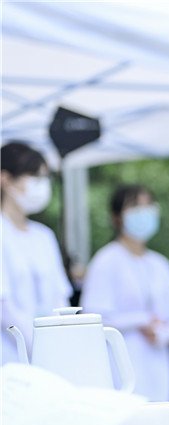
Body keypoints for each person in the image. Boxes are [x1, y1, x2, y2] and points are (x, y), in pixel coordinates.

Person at [80, 184, 169, 401]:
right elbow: (93, 317)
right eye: (135, 206)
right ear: (117, 217)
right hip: (121, 365)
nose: (143, 212)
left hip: (159, 366)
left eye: (148, 205)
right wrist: (140, 320)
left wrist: (164, 333)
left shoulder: (160, 264)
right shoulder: (106, 261)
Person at [1, 142, 73, 365]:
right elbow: (5, 308)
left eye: (44, 177)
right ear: (5, 179)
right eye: (34, 176)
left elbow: (60, 299)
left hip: (52, 358)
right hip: (9, 360)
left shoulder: (44, 236)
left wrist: (60, 344)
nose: (41, 185)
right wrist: (41, 347)